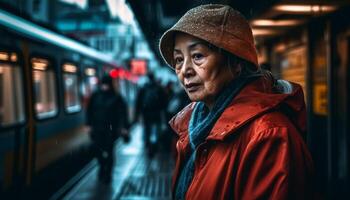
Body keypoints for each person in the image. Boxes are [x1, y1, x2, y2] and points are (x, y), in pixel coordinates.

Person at [159, 4, 315, 200]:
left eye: (198, 56)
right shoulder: (193, 129)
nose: (185, 70)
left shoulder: (269, 134)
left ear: (237, 62)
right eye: (179, 59)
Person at [86, 75, 129, 183]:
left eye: (107, 84)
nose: (105, 87)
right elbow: (89, 111)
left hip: (111, 130)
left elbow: (123, 113)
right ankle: (102, 167)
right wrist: (88, 125)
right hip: (97, 129)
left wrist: (124, 127)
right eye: (103, 84)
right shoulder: (95, 95)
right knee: (98, 151)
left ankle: (108, 174)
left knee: (109, 151)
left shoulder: (116, 97)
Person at [134, 73, 167, 157]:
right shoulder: (158, 88)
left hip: (146, 114)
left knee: (147, 130)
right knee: (156, 130)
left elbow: (138, 102)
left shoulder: (144, 88)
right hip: (156, 114)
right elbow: (164, 102)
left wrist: (137, 115)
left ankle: (148, 146)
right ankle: (155, 145)